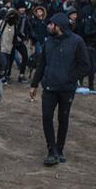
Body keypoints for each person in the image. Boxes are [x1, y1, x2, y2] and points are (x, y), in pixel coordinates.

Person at [29, 12, 90, 166]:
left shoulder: (77, 42)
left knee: (63, 119)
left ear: (59, 26)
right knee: (46, 117)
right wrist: (34, 84)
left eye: (51, 24)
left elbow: (85, 65)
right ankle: (51, 150)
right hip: (49, 87)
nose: (48, 26)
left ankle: (60, 149)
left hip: (66, 89)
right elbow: (41, 64)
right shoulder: (48, 42)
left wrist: (70, 77)